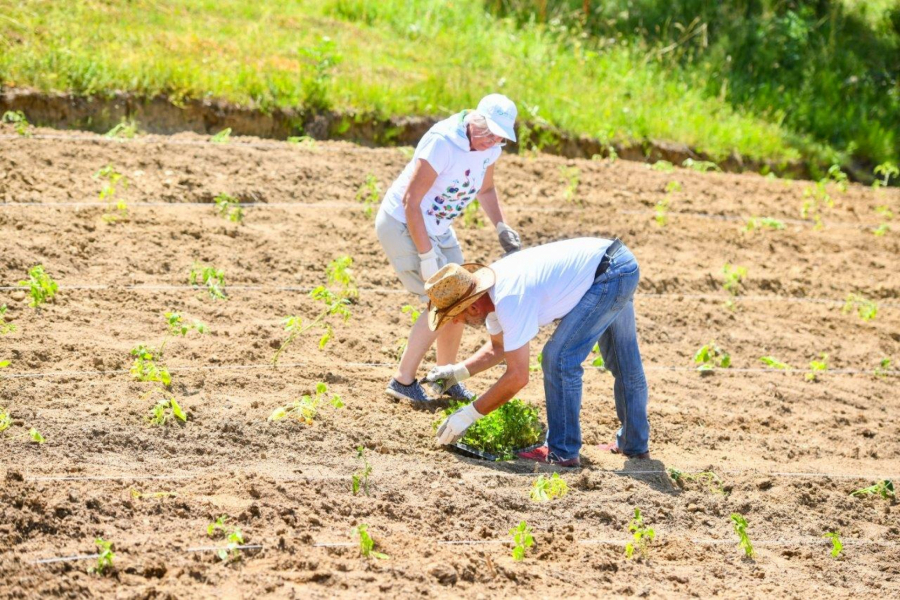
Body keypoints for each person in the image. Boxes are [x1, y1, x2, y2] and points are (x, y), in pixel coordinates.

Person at [424, 238, 650, 466]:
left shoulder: (509, 298)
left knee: (559, 358)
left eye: (455, 316)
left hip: (609, 274)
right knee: (623, 361)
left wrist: (468, 415)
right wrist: (457, 373)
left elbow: (517, 376)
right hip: (615, 265)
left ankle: (562, 452)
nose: (455, 323)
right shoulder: (488, 293)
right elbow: (499, 347)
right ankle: (634, 444)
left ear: (472, 306)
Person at [375, 93, 522, 403]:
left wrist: (501, 226)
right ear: (475, 119)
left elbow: (487, 188)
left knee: (464, 296)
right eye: (489, 132)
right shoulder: (443, 142)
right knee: (444, 302)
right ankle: (402, 381)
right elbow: (410, 201)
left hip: (439, 228)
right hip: (404, 223)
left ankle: (446, 377)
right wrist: (426, 256)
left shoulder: (490, 148)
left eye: (500, 137)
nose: (493, 140)